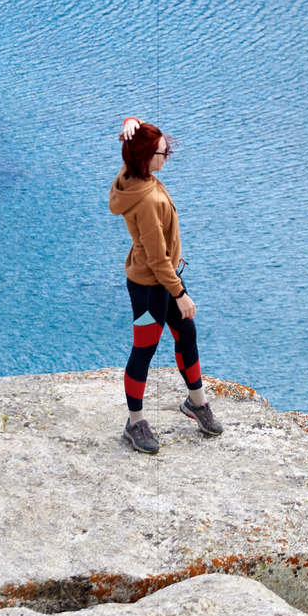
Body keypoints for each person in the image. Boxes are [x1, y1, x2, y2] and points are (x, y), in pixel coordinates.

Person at [109, 115, 222, 454]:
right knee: (144, 350)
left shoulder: (132, 175)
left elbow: (129, 149)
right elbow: (158, 261)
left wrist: (133, 122)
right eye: (163, 151)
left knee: (186, 333)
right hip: (149, 286)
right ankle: (135, 422)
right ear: (146, 158)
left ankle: (196, 403)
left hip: (163, 277)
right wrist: (181, 294)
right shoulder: (145, 200)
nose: (167, 155)